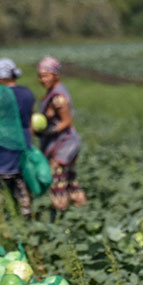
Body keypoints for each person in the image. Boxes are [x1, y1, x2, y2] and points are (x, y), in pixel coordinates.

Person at [0, 58, 35, 219]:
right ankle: (27, 224)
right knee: (22, 189)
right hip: (22, 146)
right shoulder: (27, 94)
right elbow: (31, 124)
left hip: (1, 150)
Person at [35, 56, 87, 212]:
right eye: (40, 76)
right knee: (71, 180)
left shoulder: (58, 97)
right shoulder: (53, 93)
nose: (42, 79)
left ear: (55, 75)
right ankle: (81, 209)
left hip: (64, 144)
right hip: (65, 143)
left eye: (46, 76)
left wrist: (49, 130)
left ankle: (60, 211)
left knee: (57, 180)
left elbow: (66, 121)